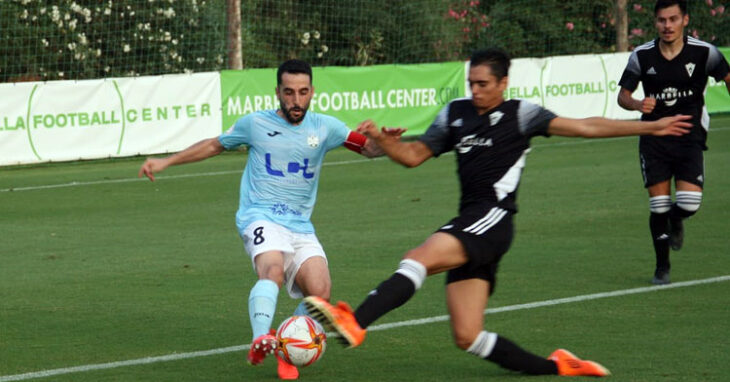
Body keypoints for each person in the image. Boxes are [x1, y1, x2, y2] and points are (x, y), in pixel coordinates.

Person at [303, 48, 692, 378]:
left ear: (503, 83)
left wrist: (651, 128)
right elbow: (413, 156)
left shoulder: (522, 115)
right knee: (468, 336)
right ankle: (558, 366)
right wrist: (384, 142)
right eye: (471, 83)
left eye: (483, 84)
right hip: (472, 224)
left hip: (493, 220)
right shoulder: (455, 114)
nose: (475, 90)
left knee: (418, 258)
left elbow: (586, 126)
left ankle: (355, 322)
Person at [138, 59, 396, 380]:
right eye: (289, 92)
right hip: (260, 216)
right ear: (277, 92)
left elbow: (368, 148)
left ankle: (287, 344)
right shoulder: (255, 124)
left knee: (320, 291)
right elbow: (213, 144)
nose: (296, 100)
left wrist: (385, 142)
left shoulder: (326, 127)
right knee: (272, 271)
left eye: (303, 92)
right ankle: (261, 337)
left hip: (300, 226)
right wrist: (166, 162)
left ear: (312, 92)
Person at [617, 0, 730, 285]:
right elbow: (623, 96)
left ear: (685, 20)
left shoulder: (705, 52)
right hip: (654, 138)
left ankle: (676, 220)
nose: (667, 25)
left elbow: (728, 77)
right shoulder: (642, 56)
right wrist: (636, 104)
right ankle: (662, 267)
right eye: (661, 20)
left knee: (689, 203)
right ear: (655, 22)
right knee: (658, 205)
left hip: (689, 135)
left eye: (673, 19)